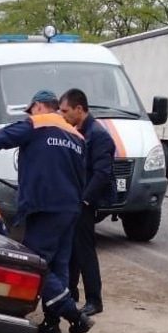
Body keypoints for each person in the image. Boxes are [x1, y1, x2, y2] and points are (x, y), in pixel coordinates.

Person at [0, 89, 93, 333]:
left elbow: (3, 138)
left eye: (31, 109)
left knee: (35, 265)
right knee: (59, 266)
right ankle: (52, 324)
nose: (30, 114)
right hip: (70, 208)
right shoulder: (76, 136)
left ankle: (74, 316)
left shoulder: (37, 123)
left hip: (45, 207)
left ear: (40, 106)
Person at [60, 88, 116, 317]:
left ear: (79, 109)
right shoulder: (77, 130)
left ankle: (94, 300)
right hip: (74, 199)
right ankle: (71, 293)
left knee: (85, 251)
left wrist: (84, 201)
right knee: (71, 248)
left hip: (86, 201)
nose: (62, 115)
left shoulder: (99, 135)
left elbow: (102, 174)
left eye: (65, 111)